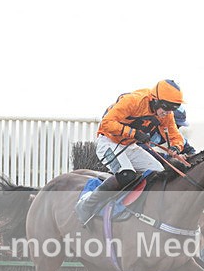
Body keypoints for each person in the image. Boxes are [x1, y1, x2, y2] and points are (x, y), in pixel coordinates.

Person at [75, 79, 189, 224]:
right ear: (156, 100)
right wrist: (134, 133)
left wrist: (176, 147)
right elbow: (106, 123)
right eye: (166, 108)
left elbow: (175, 135)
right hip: (108, 142)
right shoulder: (133, 101)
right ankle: (86, 205)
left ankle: (142, 210)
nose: (167, 113)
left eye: (172, 109)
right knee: (127, 175)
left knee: (159, 174)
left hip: (130, 146)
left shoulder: (166, 114)